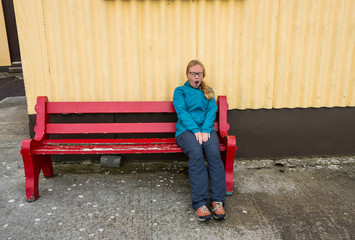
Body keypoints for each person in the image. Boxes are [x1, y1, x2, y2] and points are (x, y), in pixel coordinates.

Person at [173, 59, 226, 221]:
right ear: (187, 75)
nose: (196, 77)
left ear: (203, 75)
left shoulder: (208, 91)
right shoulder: (180, 91)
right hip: (186, 131)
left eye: (199, 74)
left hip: (206, 131)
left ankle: (218, 201)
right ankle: (200, 203)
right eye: (193, 73)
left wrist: (204, 130)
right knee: (196, 153)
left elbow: (211, 111)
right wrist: (196, 130)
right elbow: (181, 112)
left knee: (213, 154)